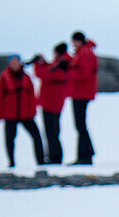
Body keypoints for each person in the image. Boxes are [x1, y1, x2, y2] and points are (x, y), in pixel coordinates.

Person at [0, 55, 45, 167]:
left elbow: (32, 95)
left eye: (17, 61)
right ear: (9, 64)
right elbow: (0, 97)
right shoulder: (4, 77)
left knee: (36, 136)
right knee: (10, 139)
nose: (15, 64)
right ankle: (11, 162)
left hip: (26, 114)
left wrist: (33, 111)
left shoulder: (26, 77)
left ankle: (41, 161)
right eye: (13, 61)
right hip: (9, 115)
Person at [32, 43, 70, 164]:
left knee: (51, 131)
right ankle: (55, 155)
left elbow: (43, 73)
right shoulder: (63, 63)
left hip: (50, 102)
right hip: (56, 102)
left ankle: (54, 157)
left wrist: (38, 64)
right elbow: (49, 69)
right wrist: (43, 63)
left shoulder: (61, 65)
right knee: (54, 130)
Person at [68, 31, 98, 165]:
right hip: (80, 92)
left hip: (81, 93)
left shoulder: (85, 54)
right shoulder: (83, 53)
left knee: (80, 124)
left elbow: (83, 73)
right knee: (80, 124)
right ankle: (87, 152)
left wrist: (69, 70)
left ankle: (85, 154)